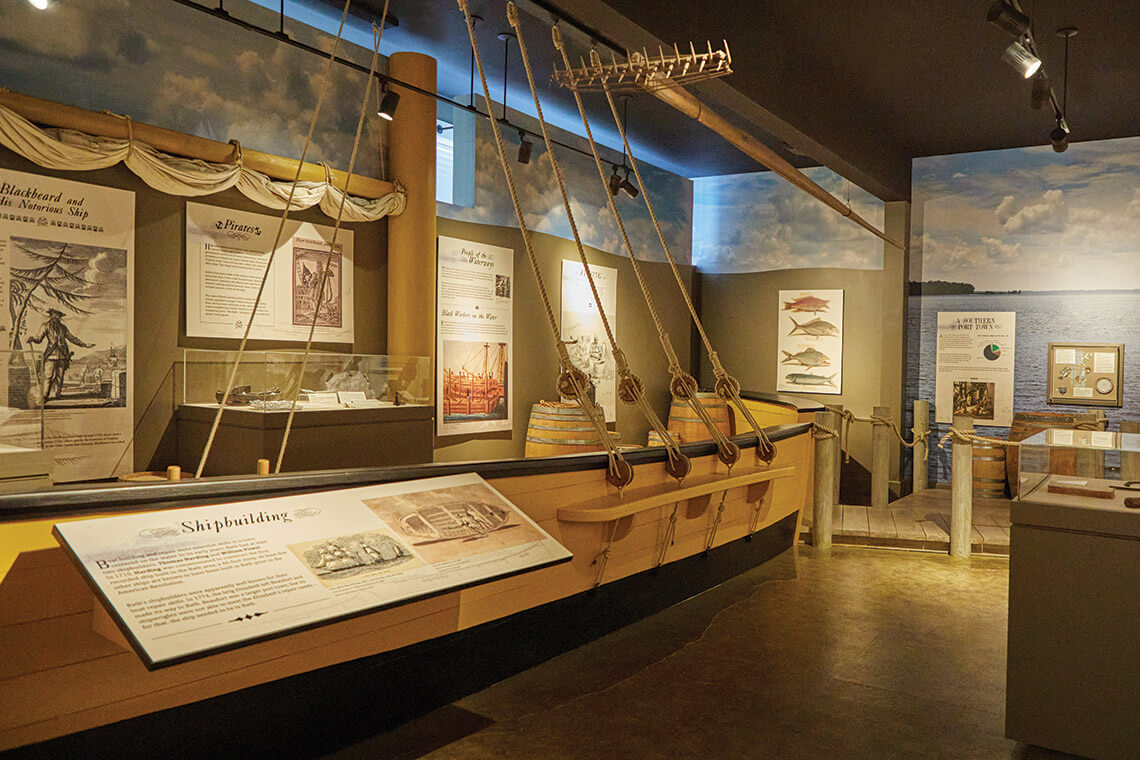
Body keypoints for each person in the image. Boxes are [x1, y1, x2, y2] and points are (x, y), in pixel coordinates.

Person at [27, 309, 93, 401]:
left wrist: (84, 344)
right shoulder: (45, 326)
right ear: (51, 316)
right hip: (50, 355)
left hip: (62, 355)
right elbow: (38, 338)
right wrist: (32, 339)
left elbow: (72, 338)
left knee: (60, 376)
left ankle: (58, 394)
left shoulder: (63, 328)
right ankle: (45, 395)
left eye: (58, 316)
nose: (56, 317)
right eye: (54, 315)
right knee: (48, 376)